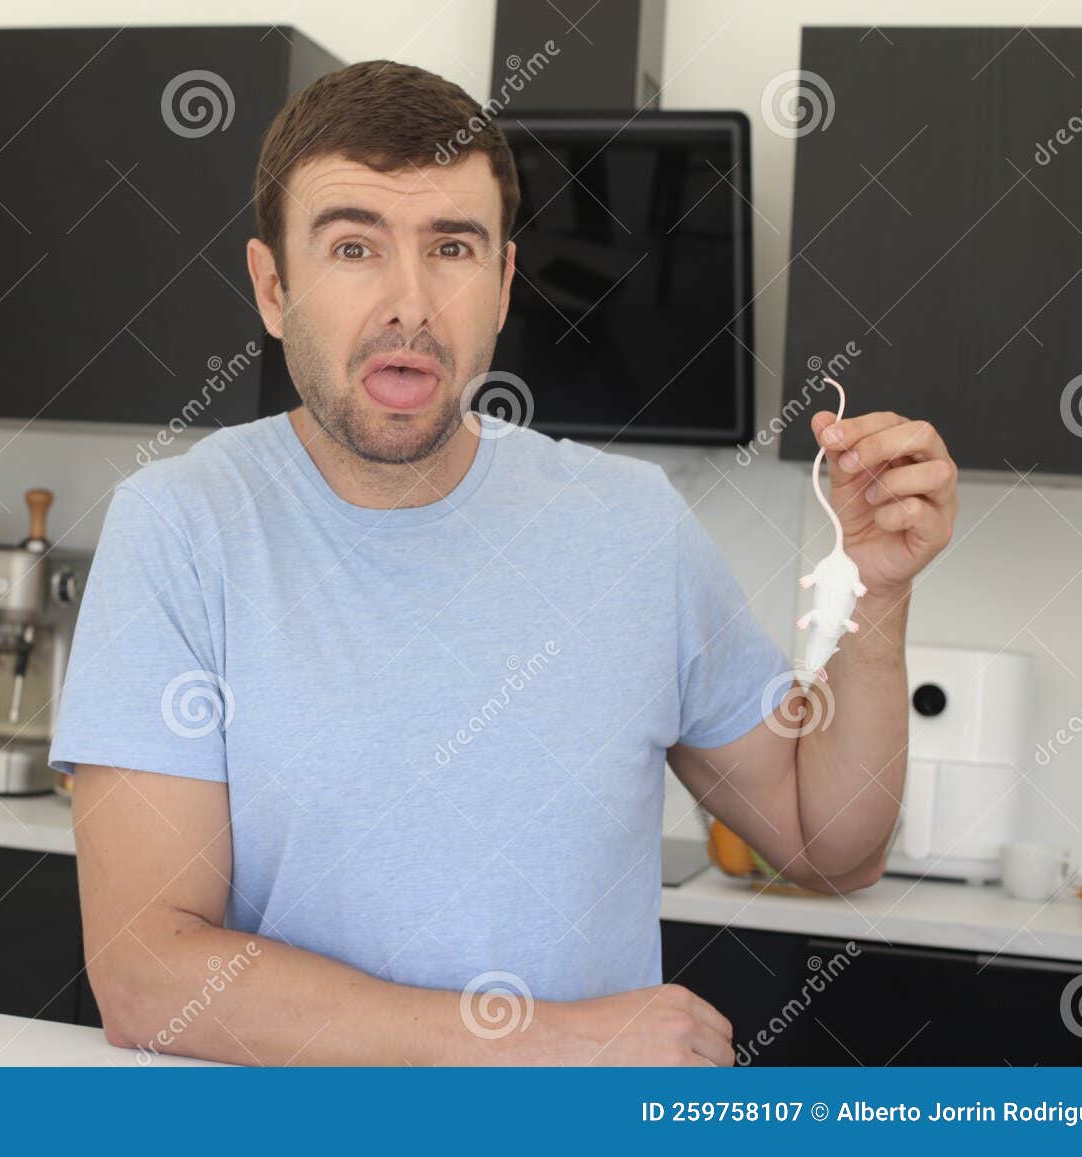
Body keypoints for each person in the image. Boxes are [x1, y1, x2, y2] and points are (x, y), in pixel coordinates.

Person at [49, 60, 959, 1066]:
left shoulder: (633, 530)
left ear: (501, 286)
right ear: (273, 286)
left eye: (451, 247)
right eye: (353, 246)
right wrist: (548, 1043)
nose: (408, 301)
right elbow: (147, 977)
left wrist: (875, 594)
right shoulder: (182, 529)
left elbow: (830, 843)